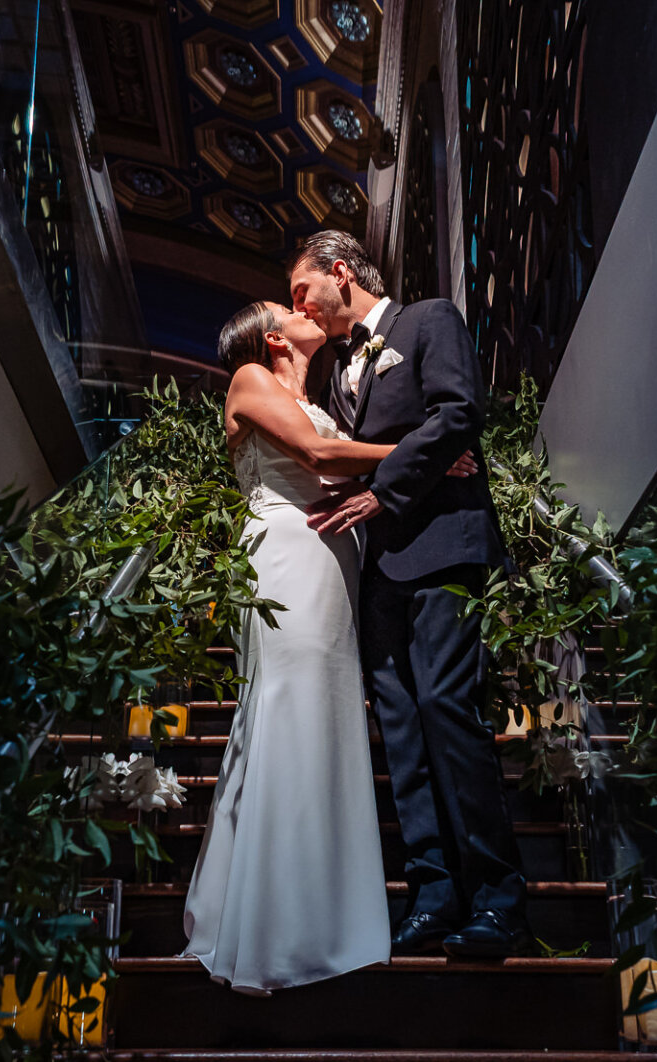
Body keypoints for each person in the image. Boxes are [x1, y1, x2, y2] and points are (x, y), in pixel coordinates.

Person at [181, 300, 479, 993]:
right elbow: (317, 454)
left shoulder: (315, 395)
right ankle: (281, 922)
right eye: (285, 305)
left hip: (332, 558)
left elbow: (338, 471)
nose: (301, 305)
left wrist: (405, 467)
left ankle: (324, 907)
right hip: (288, 554)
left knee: (326, 716)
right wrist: (425, 453)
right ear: (272, 336)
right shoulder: (250, 378)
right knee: (291, 710)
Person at [289, 231, 532, 959]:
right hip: (376, 571)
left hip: (441, 548)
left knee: (445, 709)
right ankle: (433, 893)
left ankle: (498, 897)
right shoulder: (335, 372)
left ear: (341, 272)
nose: (301, 306)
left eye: (304, 289)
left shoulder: (428, 320)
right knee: (399, 728)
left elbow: (457, 412)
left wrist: (384, 495)